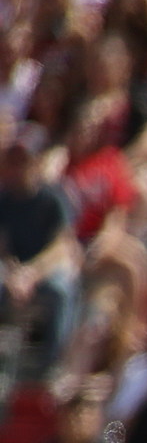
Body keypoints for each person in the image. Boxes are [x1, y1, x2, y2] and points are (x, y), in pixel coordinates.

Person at [0, 128, 80, 372]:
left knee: (61, 291)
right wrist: (14, 274)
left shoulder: (53, 197)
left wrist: (31, 274)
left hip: (44, 272)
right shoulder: (5, 200)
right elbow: (2, 246)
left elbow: (62, 246)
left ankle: (51, 368)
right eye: (14, 161)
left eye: (24, 160)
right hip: (13, 273)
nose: (19, 167)